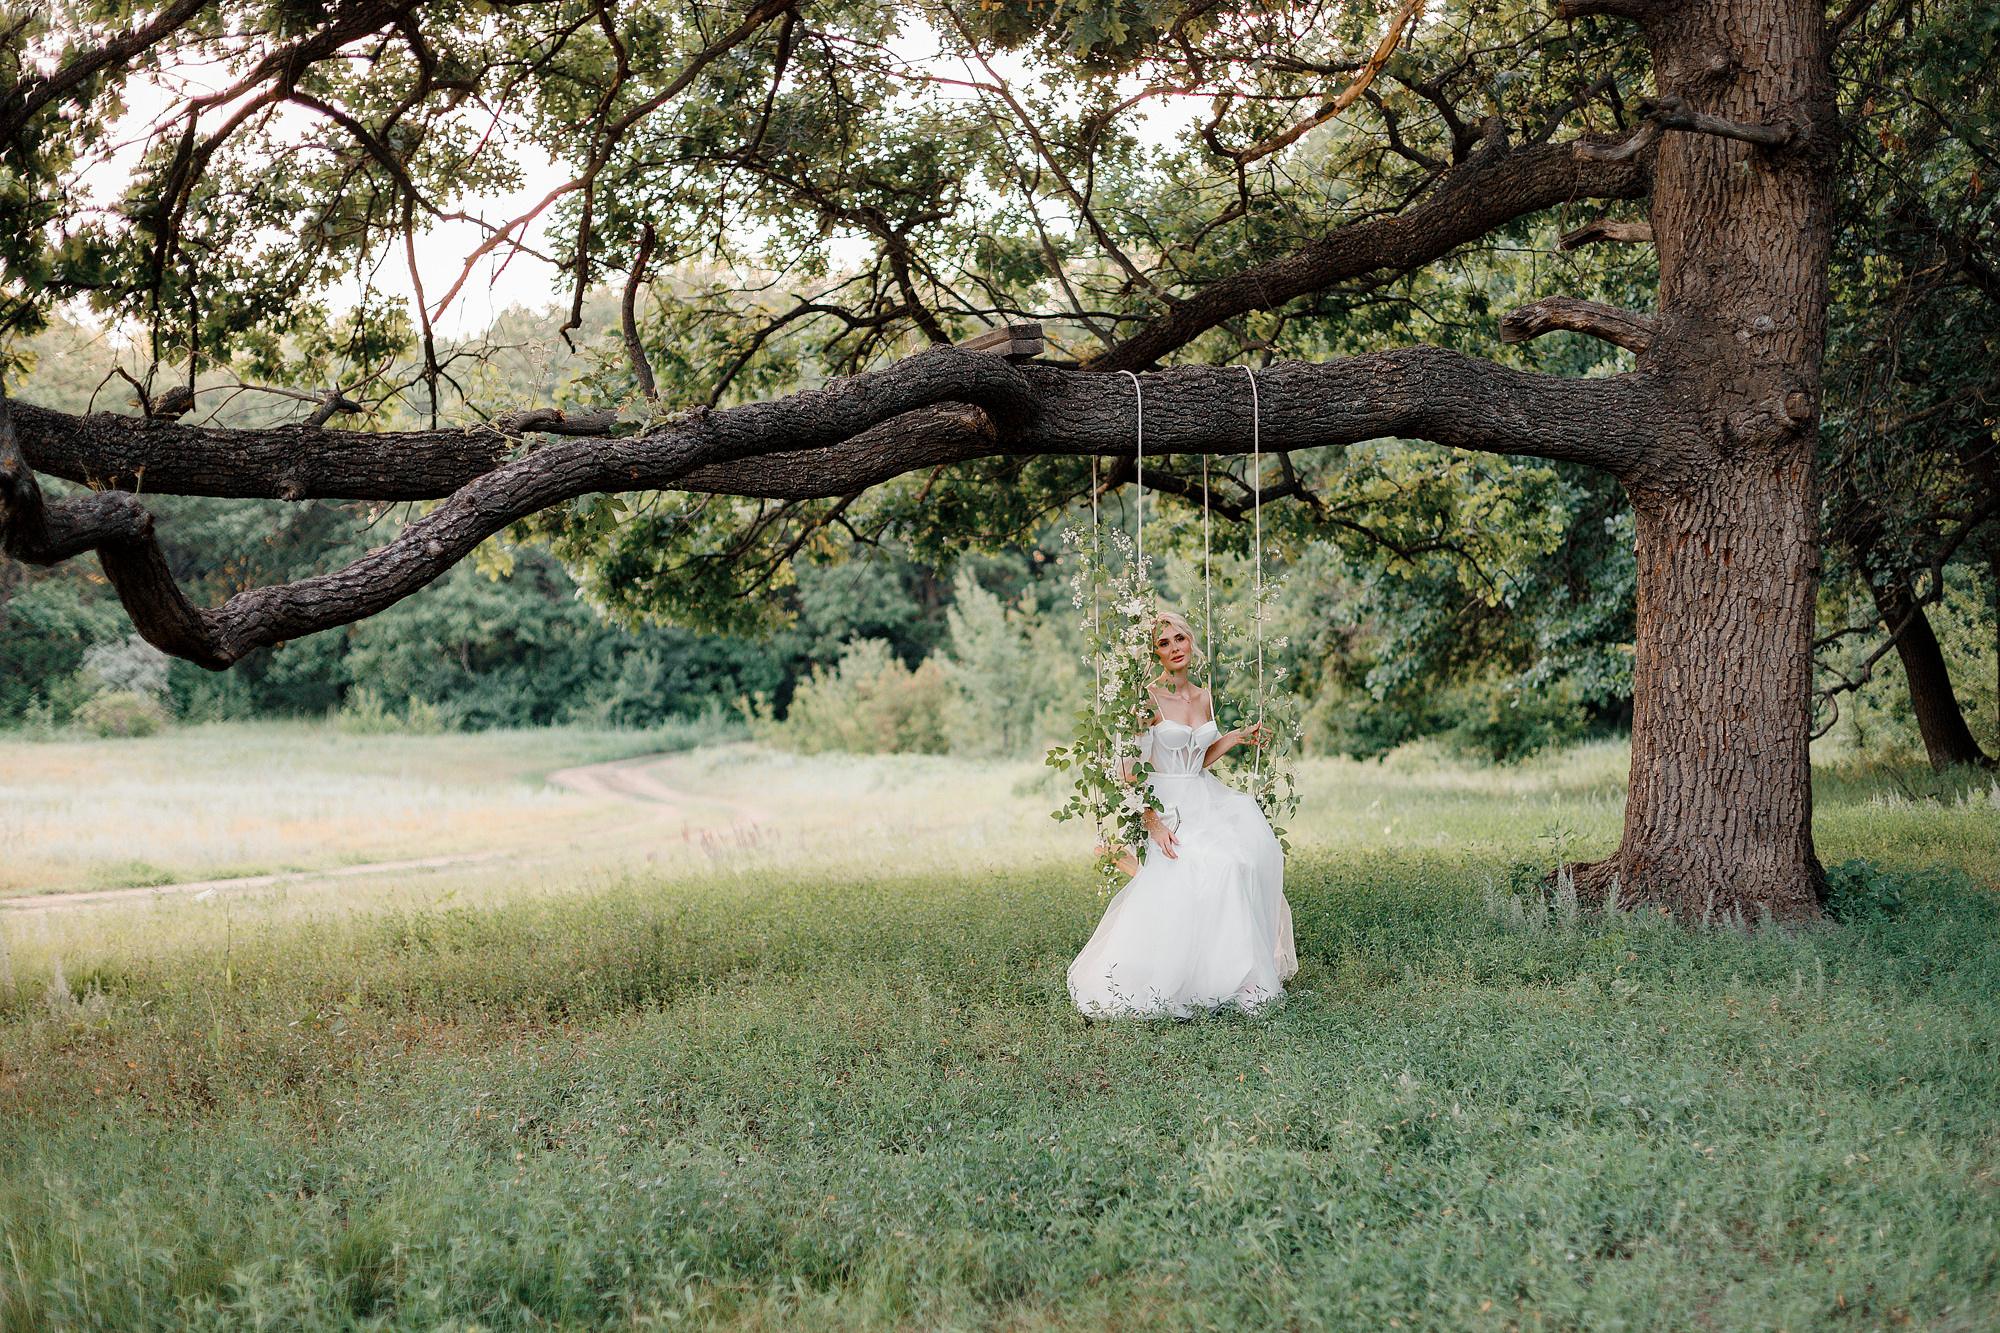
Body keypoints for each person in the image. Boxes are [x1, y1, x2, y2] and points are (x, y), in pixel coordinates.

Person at [1067, 610, 1297, 1017]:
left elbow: (1198, 758)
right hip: (1167, 806)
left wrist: (1233, 738)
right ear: (1154, 652)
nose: (1174, 648)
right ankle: (1194, 979)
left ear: (1191, 643)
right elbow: (1126, 771)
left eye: (1179, 639)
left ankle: (1238, 975)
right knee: (1214, 866)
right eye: (1163, 643)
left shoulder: (1203, 696)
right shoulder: (1146, 700)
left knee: (1246, 859)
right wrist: (1152, 822)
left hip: (1204, 798)